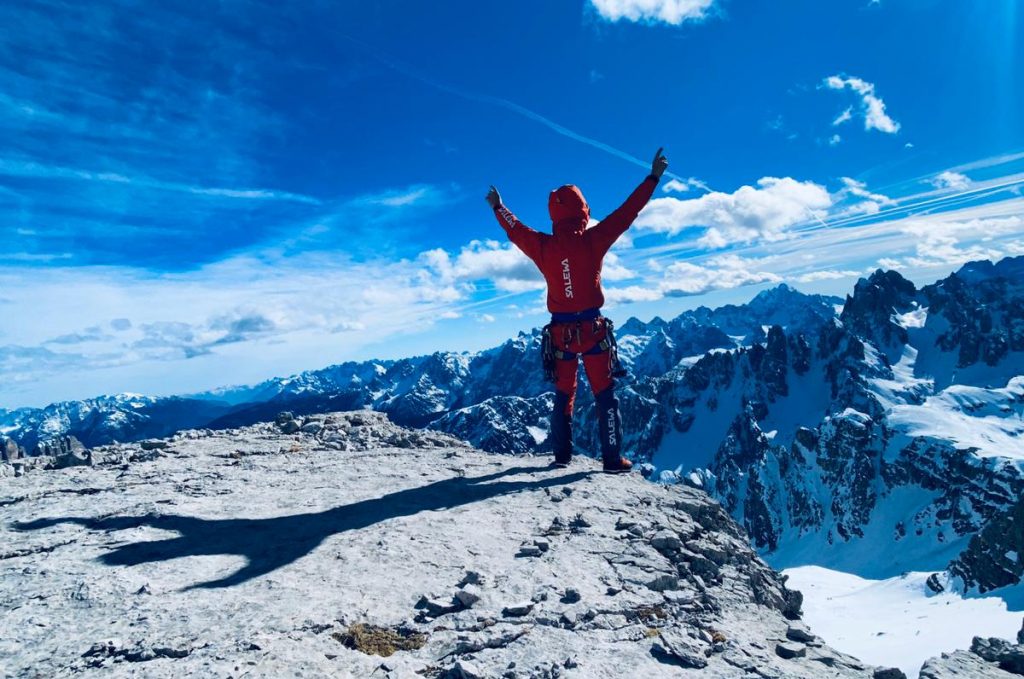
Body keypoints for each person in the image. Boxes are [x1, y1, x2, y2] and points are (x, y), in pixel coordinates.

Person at [486, 148, 669, 473]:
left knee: (563, 394)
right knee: (605, 395)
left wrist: (500, 208)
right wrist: (652, 178)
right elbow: (627, 212)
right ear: (583, 211)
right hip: (594, 332)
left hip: (561, 335)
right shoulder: (594, 240)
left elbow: (515, 229)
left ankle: (561, 456)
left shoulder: (542, 246)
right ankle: (612, 460)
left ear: (555, 216)